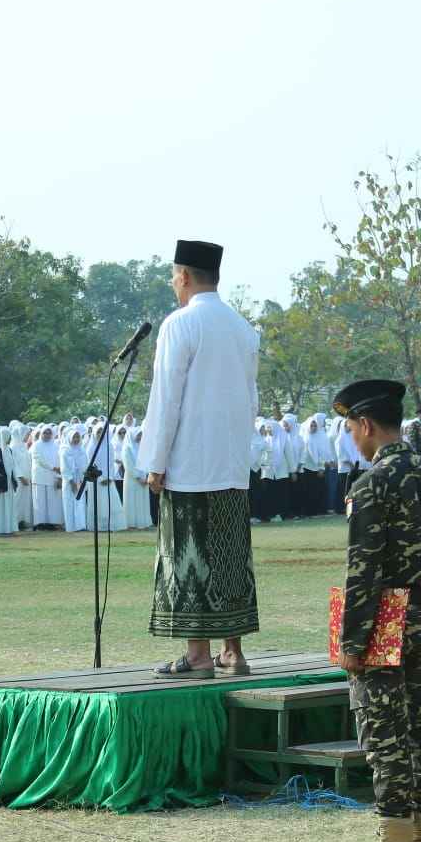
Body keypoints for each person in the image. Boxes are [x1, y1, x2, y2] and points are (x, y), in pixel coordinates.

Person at [332, 379, 421, 842]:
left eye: (350, 428)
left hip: (385, 618)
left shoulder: (371, 485)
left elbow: (362, 570)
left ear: (365, 425)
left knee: (384, 734)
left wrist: (350, 640)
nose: (351, 438)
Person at [138, 240, 260, 679]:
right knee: (228, 556)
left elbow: (166, 397)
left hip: (190, 463)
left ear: (185, 276)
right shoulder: (243, 328)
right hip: (230, 464)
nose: (173, 283)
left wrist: (154, 459)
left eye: (174, 275)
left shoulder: (181, 324)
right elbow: (252, 400)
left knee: (188, 556)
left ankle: (197, 655)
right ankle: (233, 651)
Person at [31, 424, 63, 529]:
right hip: (39, 477)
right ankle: (40, 523)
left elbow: (59, 462)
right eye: (45, 432)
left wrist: (59, 476)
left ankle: (51, 523)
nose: (47, 435)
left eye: (49, 433)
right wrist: (53, 467)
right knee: (40, 500)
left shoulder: (55, 446)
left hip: (52, 477)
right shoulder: (36, 445)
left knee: (52, 500)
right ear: (41, 433)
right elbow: (39, 460)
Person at [59, 425, 88, 533]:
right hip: (69, 481)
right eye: (74, 437)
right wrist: (71, 482)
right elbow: (64, 468)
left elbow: (85, 465)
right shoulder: (65, 450)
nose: (76, 439)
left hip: (80, 479)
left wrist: (81, 480)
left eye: (77, 437)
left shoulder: (82, 450)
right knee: (69, 502)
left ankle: (81, 525)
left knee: (80, 502)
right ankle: (71, 527)